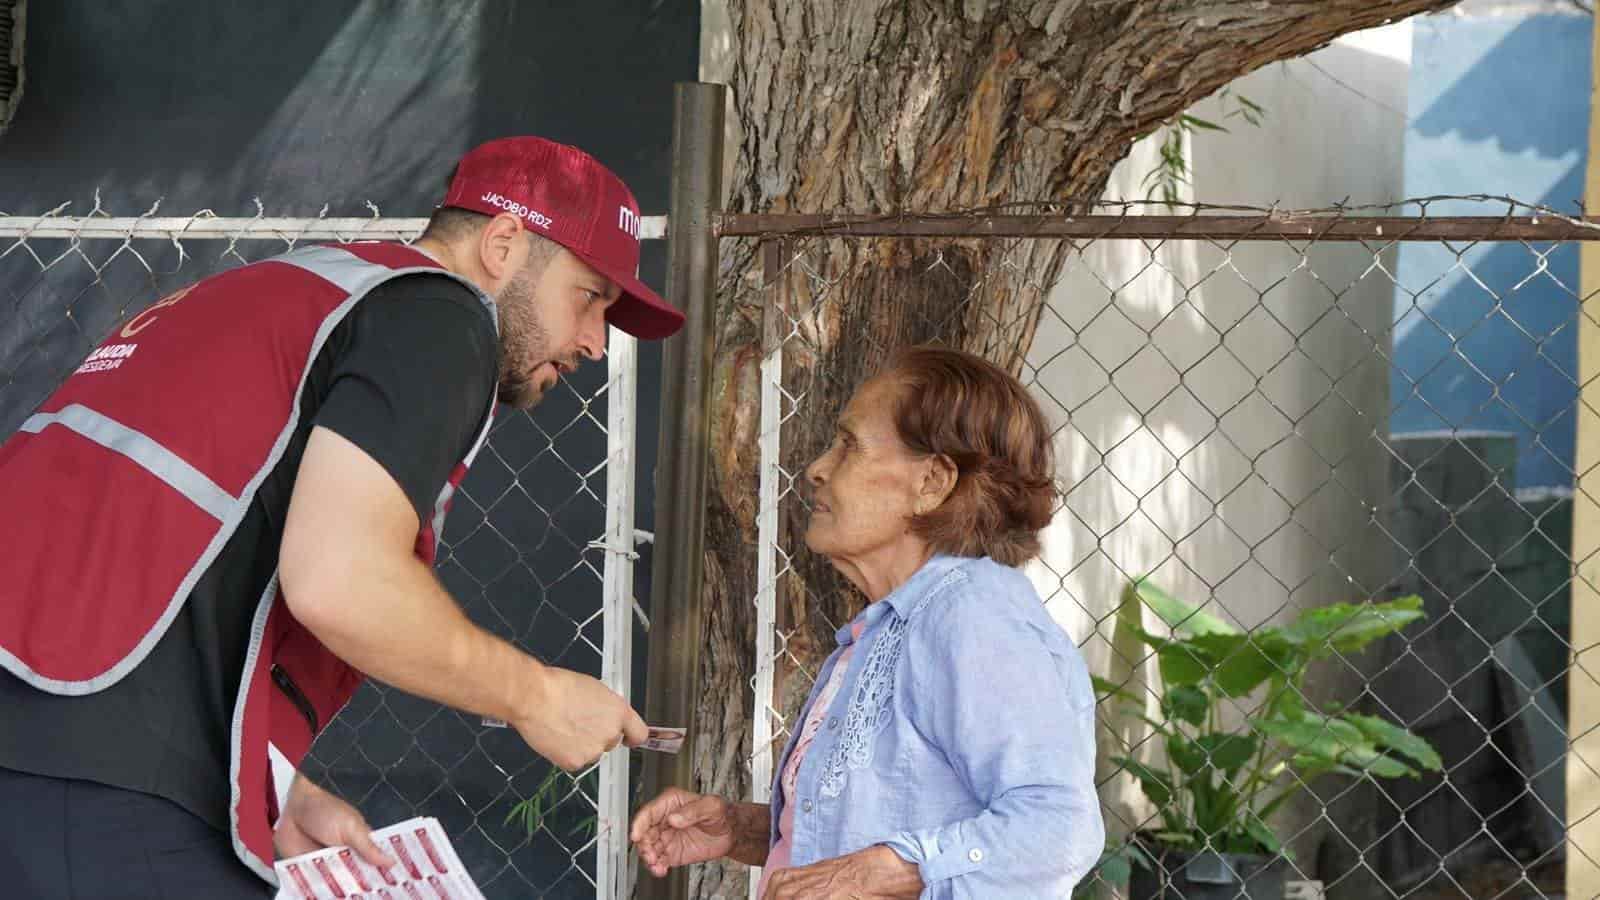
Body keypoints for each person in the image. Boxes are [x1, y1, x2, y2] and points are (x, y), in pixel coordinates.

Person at [0, 137, 677, 897]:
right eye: (589, 296)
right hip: (98, 785)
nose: (594, 340)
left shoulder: (292, 289)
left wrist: (268, 785)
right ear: (503, 243)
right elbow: (339, 580)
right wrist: (537, 697)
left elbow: (163, 557)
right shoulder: (440, 316)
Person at [630, 346, 1105, 899]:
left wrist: (866, 874)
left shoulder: (970, 617)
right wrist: (741, 827)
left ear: (933, 481)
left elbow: (1058, 829)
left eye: (849, 445)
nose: (817, 468)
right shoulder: (893, 626)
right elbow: (891, 820)